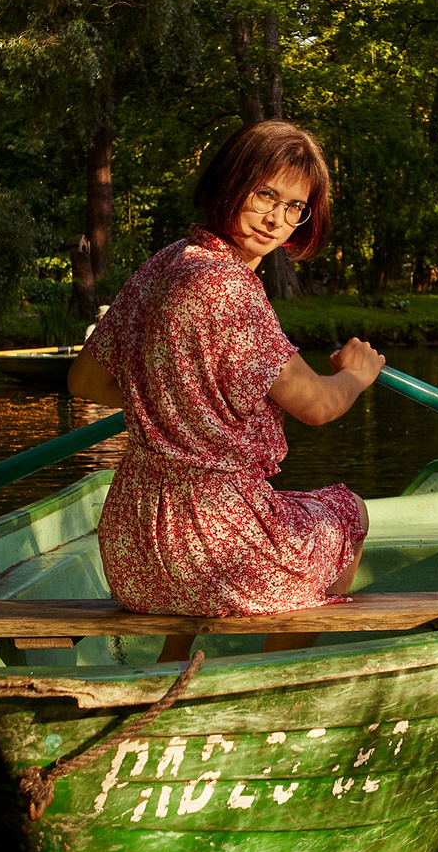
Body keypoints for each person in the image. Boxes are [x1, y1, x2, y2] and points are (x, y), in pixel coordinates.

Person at [66, 121, 386, 628]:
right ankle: (288, 678)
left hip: (133, 546)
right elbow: (319, 406)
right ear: (230, 181)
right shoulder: (233, 290)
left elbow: (84, 380)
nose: (276, 220)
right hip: (213, 551)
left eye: (294, 207)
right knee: (350, 512)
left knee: (295, 507)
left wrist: (173, 402)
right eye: (265, 195)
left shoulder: (165, 264)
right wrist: (356, 373)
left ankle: (175, 669)